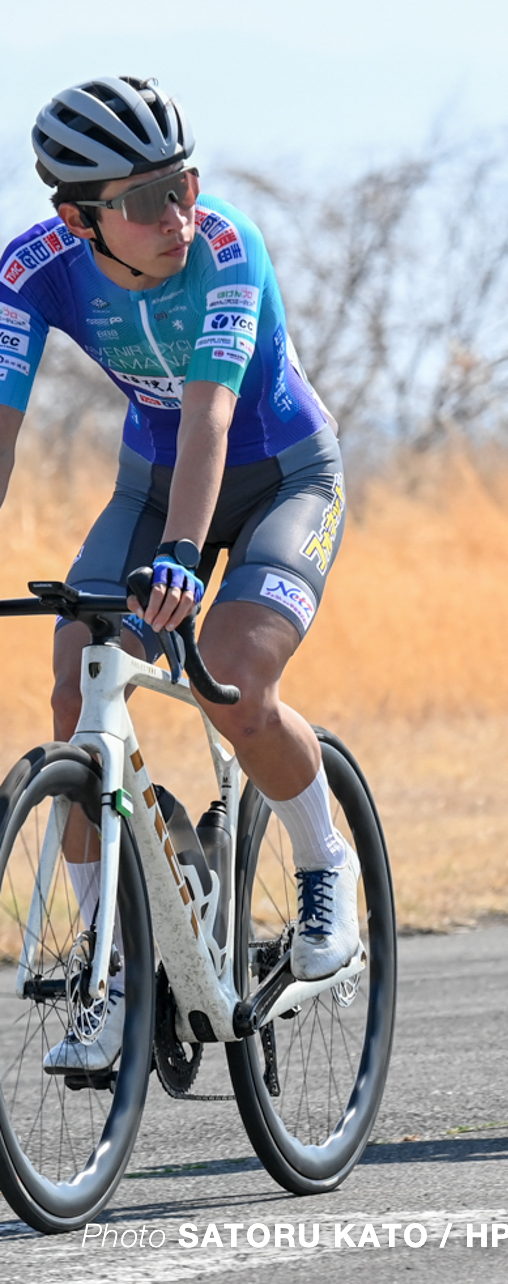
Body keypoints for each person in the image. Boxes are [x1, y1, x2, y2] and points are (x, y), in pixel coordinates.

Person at [0, 77, 358, 1074]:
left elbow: (208, 418)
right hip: (152, 485)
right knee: (76, 685)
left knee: (234, 673)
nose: (177, 213)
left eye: (184, 183)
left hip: (284, 475)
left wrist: (187, 560)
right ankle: (115, 973)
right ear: (78, 218)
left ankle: (328, 870)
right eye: (145, 198)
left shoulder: (226, 250)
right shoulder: (31, 270)